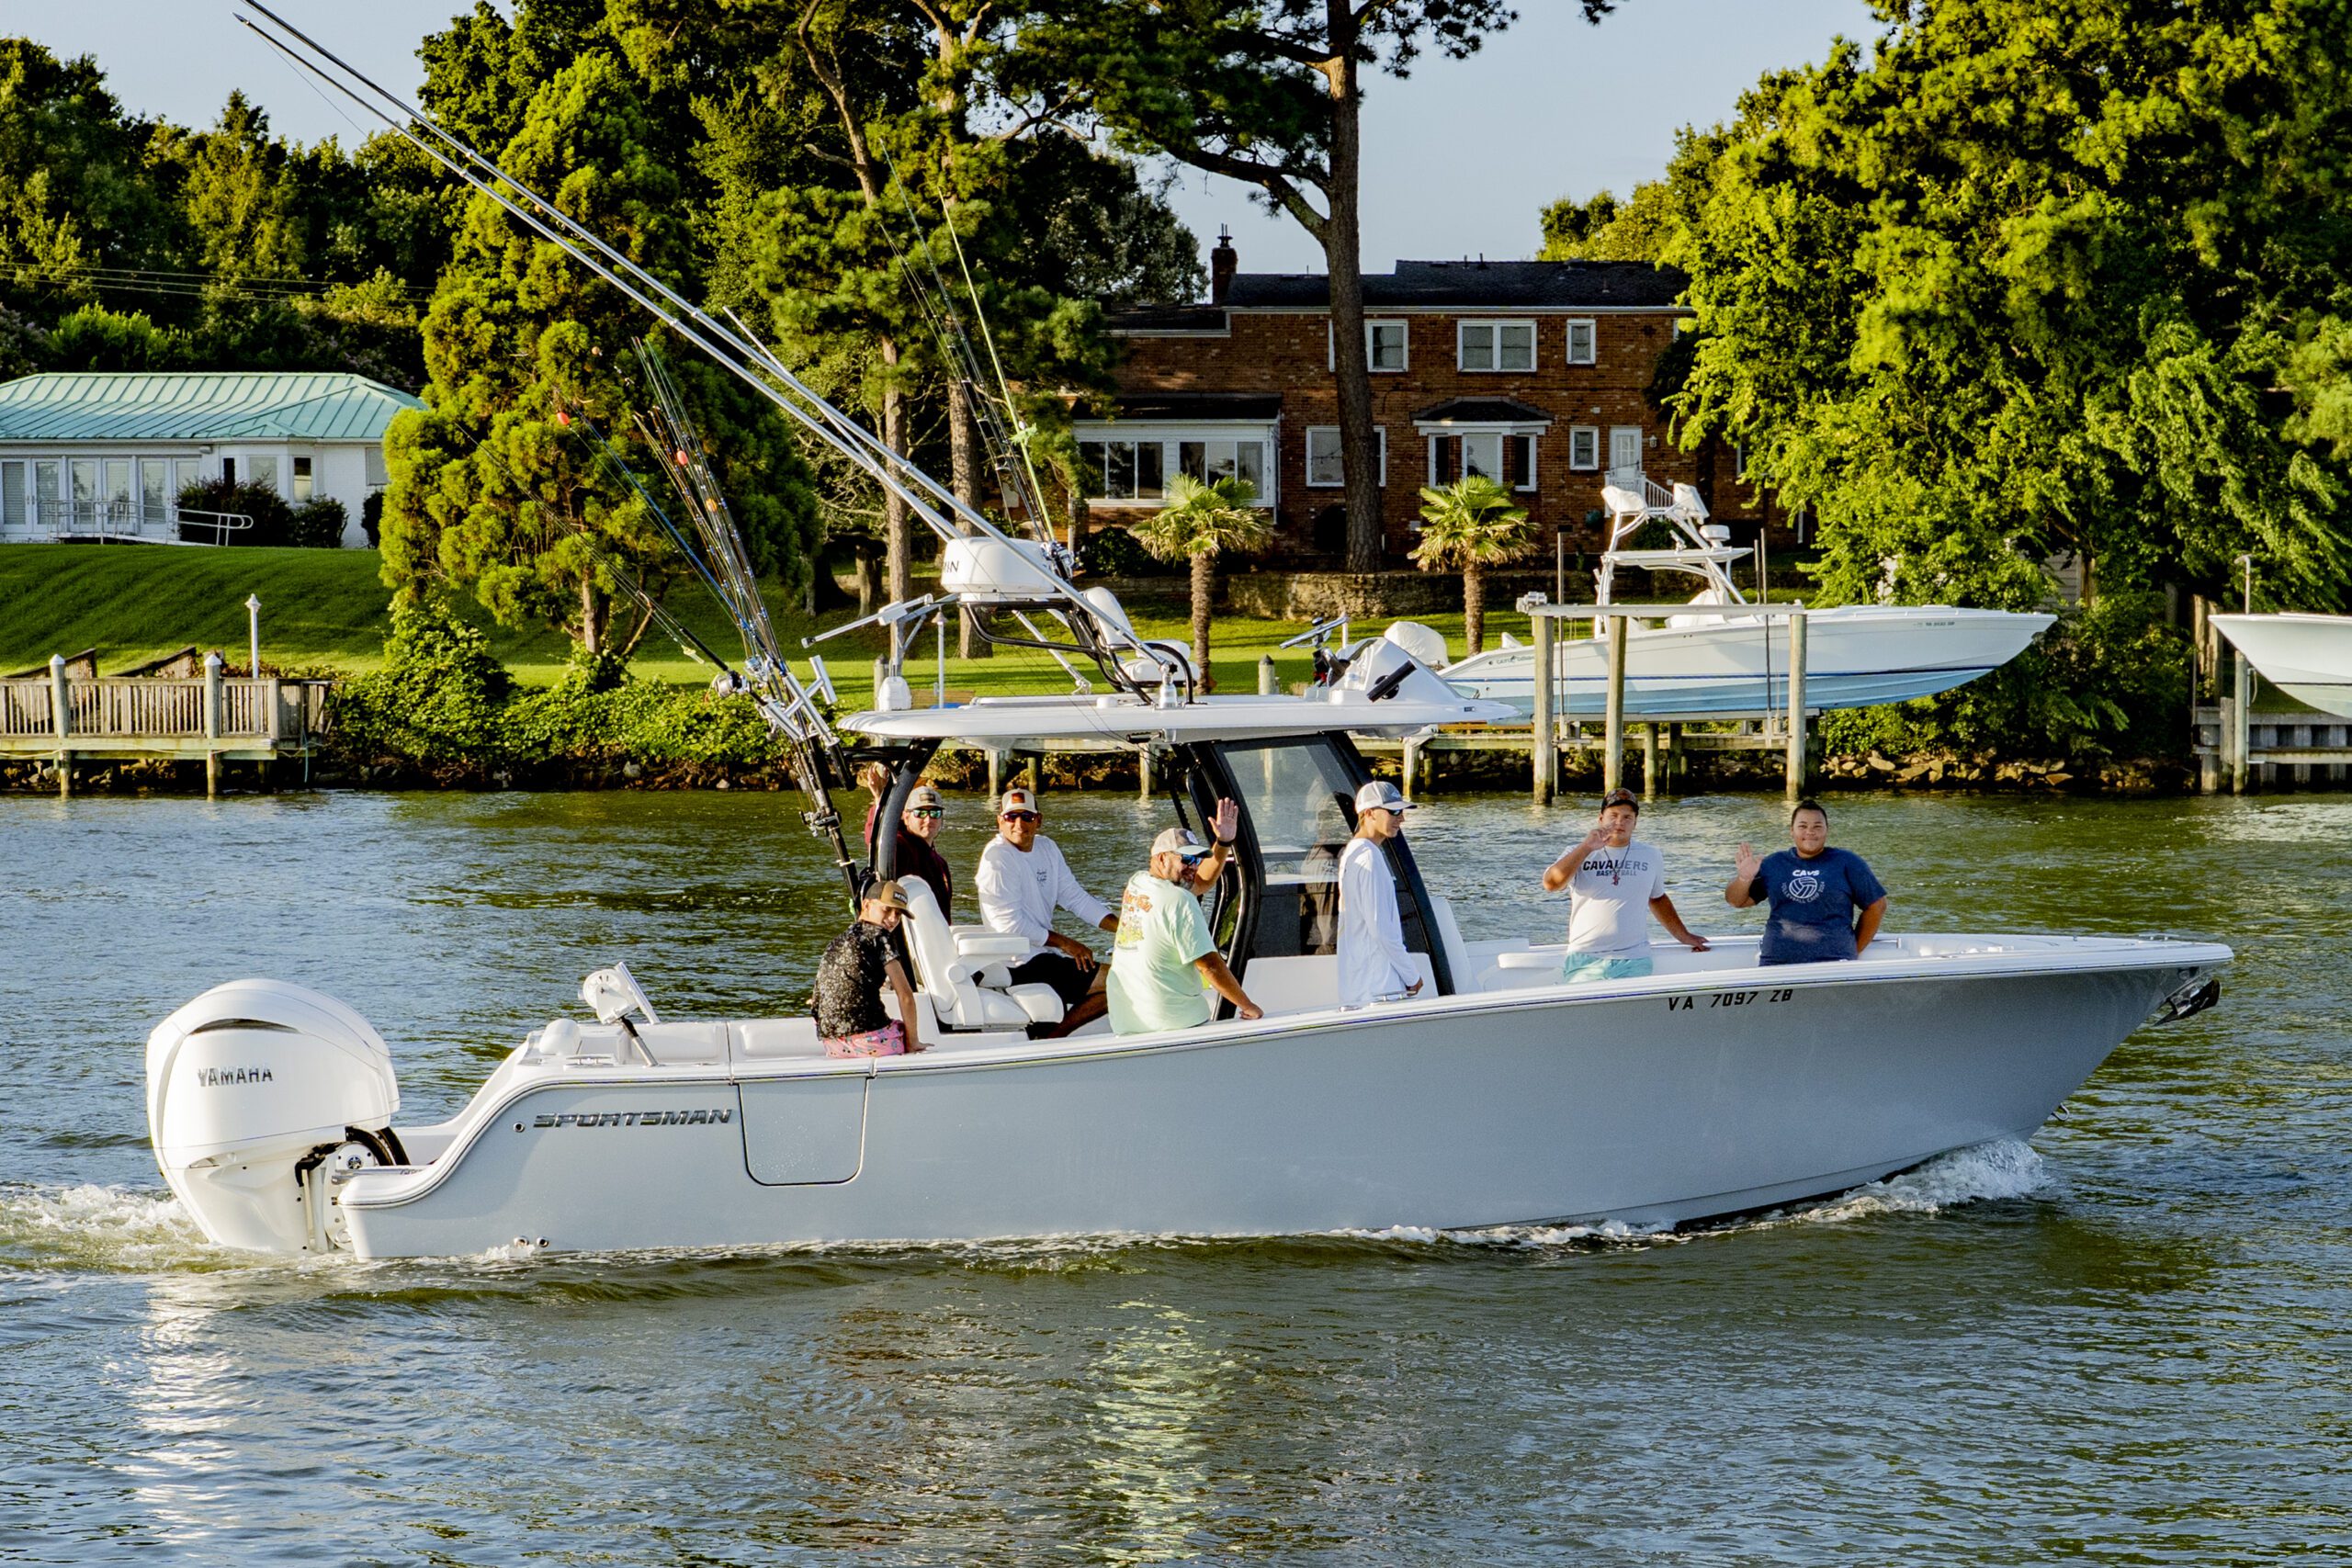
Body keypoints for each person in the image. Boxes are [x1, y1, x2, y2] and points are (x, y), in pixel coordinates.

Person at [975, 786, 1117, 1033]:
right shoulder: (997, 858)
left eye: (1027, 816)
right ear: (1000, 821)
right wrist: (1066, 943)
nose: (1019, 824)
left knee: (1119, 979)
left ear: (1038, 820)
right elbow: (1009, 925)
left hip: (1043, 955)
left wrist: (1122, 928)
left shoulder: (1047, 848)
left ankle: (1054, 1035)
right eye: (1011, 817)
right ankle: (1055, 1038)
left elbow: (1075, 898)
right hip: (1018, 961)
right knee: (1120, 980)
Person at [1543, 787, 1711, 982]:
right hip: (1585, 957)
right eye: (1613, 816)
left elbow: (1657, 898)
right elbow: (1551, 884)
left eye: (1627, 817)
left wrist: (1684, 936)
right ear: (1601, 819)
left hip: (1634, 958)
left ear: (1635, 823)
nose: (1619, 822)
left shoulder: (1651, 855)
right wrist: (1586, 847)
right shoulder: (1577, 852)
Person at [1106, 827, 1262, 1035]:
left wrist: (1223, 843)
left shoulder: (1137, 883)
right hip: (1175, 1023)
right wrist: (1247, 1006)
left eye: (1198, 860)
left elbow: (1201, 883)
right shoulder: (1180, 901)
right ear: (1162, 858)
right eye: (1187, 859)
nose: (1194, 867)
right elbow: (1210, 966)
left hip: (1126, 1023)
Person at [1724, 798, 1890, 964]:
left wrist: (1853, 949)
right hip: (1776, 962)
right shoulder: (1774, 863)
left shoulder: (1848, 862)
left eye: (1817, 826)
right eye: (1803, 826)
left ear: (1827, 830)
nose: (1810, 832)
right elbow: (1736, 901)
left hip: (1835, 963)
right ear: (1792, 831)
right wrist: (1744, 879)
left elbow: (1877, 906)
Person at [810, 880, 925, 1057]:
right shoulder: (880, 936)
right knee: (903, 1029)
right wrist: (912, 1042)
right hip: (870, 1043)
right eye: (887, 909)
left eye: (898, 914)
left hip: (833, 1044)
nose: (893, 919)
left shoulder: (838, 940)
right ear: (866, 905)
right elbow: (905, 996)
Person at [1337, 780, 1425, 1008]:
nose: (1401, 818)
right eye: (1393, 811)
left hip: (1360, 986)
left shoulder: (1352, 852)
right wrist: (1412, 975)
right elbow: (1381, 929)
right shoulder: (1369, 857)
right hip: (1381, 989)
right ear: (1369, 813)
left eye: (1402, 811)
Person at [860, 764, 953, 915]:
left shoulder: (940, 862)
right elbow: (878, 842)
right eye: (920, 813)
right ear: (906, 816)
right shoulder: (902, 846)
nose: (929, 819)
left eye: (935, 813)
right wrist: (880, 801)